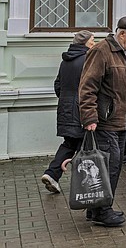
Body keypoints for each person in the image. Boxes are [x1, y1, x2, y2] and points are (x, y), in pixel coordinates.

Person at [78, 16, 126, 227]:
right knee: (110, 166)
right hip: (104, 121)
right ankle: (103, 210)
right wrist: (89, 117)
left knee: (109, 166)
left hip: (121, 120)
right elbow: (87, 86)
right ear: (122, 33)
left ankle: (96, 209)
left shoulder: (125, 53)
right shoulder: (102, 51)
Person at [41, 31, 95, 195]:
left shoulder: (66, 61)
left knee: (70, 143)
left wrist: (66, 100)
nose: (94, 43)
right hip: (81, 109)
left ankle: (52, 174)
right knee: (84, 146)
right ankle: (84, 186)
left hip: (65, 107)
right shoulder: (88, 60)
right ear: (85, 43)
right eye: (92, 40)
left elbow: (58, 85)